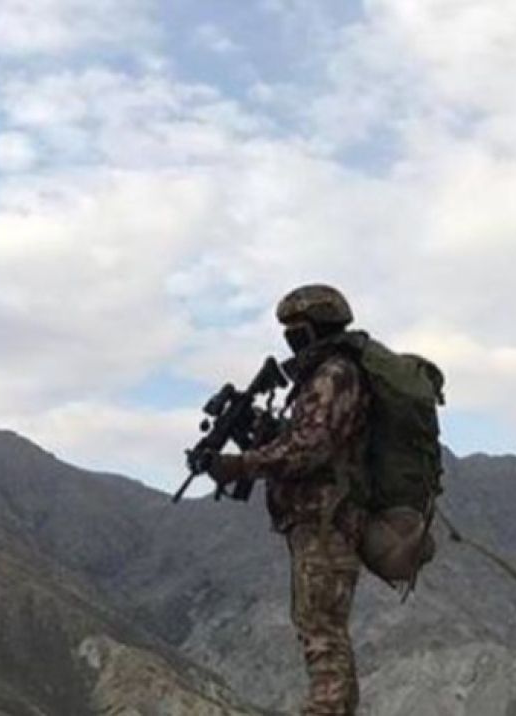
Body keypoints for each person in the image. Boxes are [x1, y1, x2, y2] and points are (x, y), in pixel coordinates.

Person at [207, 284, 370, 715]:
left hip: (326, 523)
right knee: (324, 634)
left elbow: (309, 448)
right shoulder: (328, 376)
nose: (289, 339)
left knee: (322, 636)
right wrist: (265, 432)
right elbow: (309, 439)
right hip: (320, 523)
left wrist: (241, 464)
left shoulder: (333, 375)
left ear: (314, 328)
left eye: (295, 330)